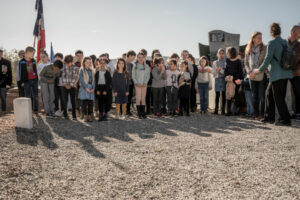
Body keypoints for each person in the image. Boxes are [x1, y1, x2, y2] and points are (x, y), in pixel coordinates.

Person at [253, 23, 293, 126]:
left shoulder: (272, 43)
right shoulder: (285, 42)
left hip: (276, 74)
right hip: (286, 73)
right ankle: (268, 117)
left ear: (271, 32)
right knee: (269, 93)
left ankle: (285, 119)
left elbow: (267, 59)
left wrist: (259, 70)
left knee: (278, 97)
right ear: (280, 31)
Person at [244, 32, 267, 120]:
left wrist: (256, 71)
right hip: (251, 75)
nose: (260, 39)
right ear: (253, 39)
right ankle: (255, 113)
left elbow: (265, 62)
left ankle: (261, 114)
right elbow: (246, 63)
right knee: (254, 95)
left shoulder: (264, 48)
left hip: (261, 74)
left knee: (261, 96)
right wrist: (250, 72)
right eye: (258, 37)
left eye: (261, 37)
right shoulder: (248, 48)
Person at [224, 47, 244, 116]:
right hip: (229, 81)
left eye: (227, 52)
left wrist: (234, 78)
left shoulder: (239, 61)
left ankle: (237, 111)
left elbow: (241, 74)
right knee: (228, 96)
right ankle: (228, 111)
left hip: (236, 82)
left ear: (231, 53)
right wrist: (227, 76)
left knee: (236, 96)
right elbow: (226, 70)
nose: (226, 54)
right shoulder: (227, 61)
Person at [20, 46, 39, 114]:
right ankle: (28, 109)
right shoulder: (22, 61)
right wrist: (22, 81)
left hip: (34, 80)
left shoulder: (33, 60)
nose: (33, 55)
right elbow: (20, 72)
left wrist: (36, 79)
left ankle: (36, 109)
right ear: (27, 53)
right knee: (27, 96)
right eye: (32, 53)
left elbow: (35, 70)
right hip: (27, 81)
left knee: (35, 95)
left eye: (34, 53)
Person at [132, 52, 150, 119]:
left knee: (143, 98)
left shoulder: (146, 66)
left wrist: (145, 83)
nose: (140, 59)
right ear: (137, 58)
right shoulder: (135, 66)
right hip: (138, 85)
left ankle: (143, 113)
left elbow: (148, 75)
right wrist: (136, 83)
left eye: (142, 57)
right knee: (138, 98)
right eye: (139, 57)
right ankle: (139, 113)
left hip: (144, 85)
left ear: (144, 58)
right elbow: (133, 76)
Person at [288, 25, 300, 121]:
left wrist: (295, 71)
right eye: (299, 33)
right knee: (286, 93)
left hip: (296, 73)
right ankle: (288, 112)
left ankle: (298, 113)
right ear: (293, 32)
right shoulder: (284, 43)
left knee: (298, 93)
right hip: (284, 72)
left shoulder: (299, 45)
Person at [61, 55, 79, 120]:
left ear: (72, 62)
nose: (67, 64)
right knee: (64, 100)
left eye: (68, 63)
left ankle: (74, 115)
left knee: (73, 100)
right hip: (64, 86)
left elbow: (76, 77)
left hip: (72, 86)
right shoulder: (63, 68)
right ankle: (65, 114)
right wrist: (65, 84)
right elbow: (63, 77)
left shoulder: (76, 68)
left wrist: (70, 85)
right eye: (66, 63)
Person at [78, 57, 95, 122]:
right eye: (87, 62)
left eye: (90, 62)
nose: (89, 63)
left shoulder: (92, 70)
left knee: (90, 103)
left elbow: (94, 80)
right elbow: (81, 80)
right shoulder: (81, 70)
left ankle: (90, 116)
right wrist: (86, 88)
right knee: (84, 103)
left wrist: (93, 88)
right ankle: (85, 116)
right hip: (84, 88)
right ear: (84, 63)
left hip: (91, 87)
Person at [212, 48, 226, 115]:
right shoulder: (215, 62)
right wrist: (217, 71)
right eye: (220, 53)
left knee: (223, 95)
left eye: (222, 53)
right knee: (217, 95)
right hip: (217, 79)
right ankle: (216, 109)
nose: (221, 55)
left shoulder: (226, 62)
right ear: (217, 54)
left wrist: (220, 70)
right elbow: (213, 72)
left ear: (224, 54)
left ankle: (223, 110)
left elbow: (226, 72)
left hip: (223, 79)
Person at [126, 50, 136, 116]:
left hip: (131, 83)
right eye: (133, 57)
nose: (134, 58)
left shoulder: (132, 65)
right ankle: (122, 110)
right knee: (124, 97)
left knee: (129, 98)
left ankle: (128, 110)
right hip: (124, 83)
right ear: (129, 56)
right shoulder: (123, 63)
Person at [74, 50, 84, 118]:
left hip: (84, 84)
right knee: (77, 98)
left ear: (83, 56)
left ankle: (83, 111)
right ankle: (77, 110)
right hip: (76, 84)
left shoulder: (85, 64)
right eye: (78, 56)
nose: (79, 57)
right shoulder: (74, 65)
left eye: (81, 56)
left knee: (83, 98)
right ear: (75, 56)